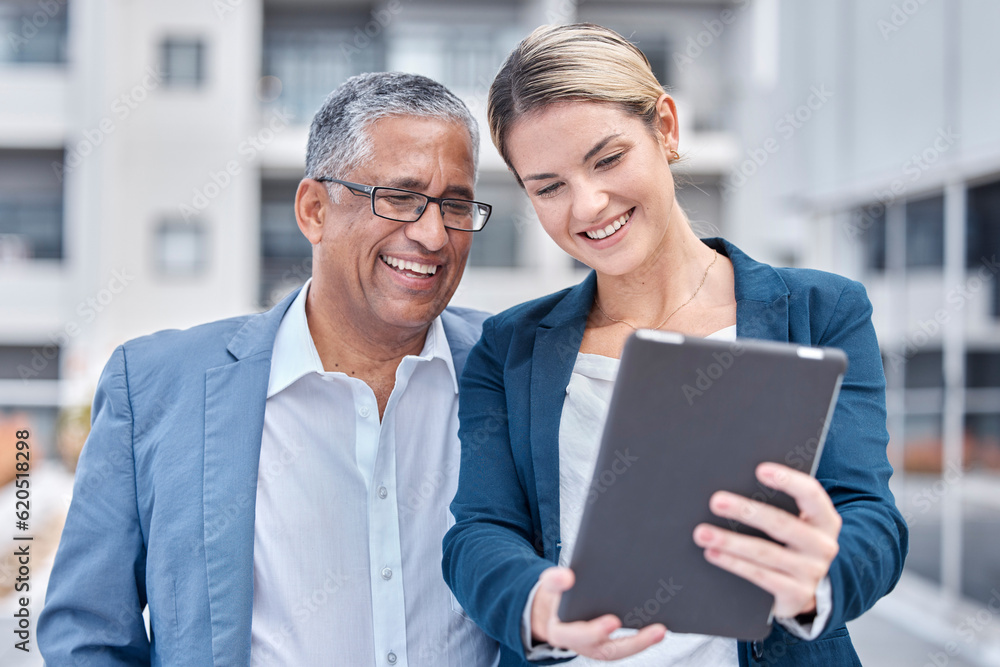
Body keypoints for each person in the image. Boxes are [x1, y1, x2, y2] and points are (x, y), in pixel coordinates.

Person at [442, 24, 908, 667]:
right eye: (548, 187)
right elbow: (480, 531)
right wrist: (538, 605)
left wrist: (817, 577)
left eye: (607, 159)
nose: (588, 204)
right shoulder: (509, 348)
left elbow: (869, 518)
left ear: (665, 127)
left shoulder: (820, 312)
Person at [38, 71, 500, 666]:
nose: (433, 234)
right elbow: (86, 633)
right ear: (314, 210)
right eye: (399, 198)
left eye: (455, 205)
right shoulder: (156, 387)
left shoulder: (510, 367)